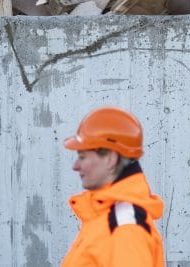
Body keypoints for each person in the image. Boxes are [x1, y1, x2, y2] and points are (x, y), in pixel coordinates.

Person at [61, 106, 166, 266]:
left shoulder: (125, 227)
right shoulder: (106, 216)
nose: (75, 166)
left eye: (82, 157)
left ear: (111, 159)